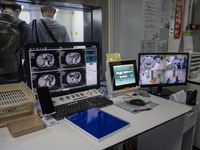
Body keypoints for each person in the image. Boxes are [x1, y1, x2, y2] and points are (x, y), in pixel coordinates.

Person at [0, 0, 34, 84]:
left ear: (1, 9)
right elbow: (25, 56)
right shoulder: (23, 26)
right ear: (18, 11)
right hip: (13, 72)